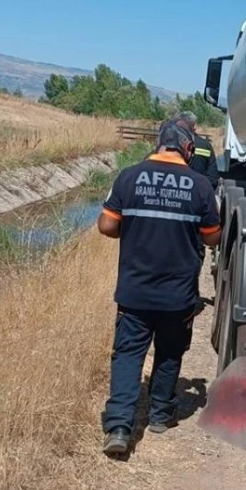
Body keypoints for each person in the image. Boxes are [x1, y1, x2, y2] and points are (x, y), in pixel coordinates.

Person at [97, 121, 222, 457]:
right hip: (177, 296)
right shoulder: (200, 187)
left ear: (157, 145)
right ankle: (160, 416)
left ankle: (120, 427)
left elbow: (107, 225)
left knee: (127, 356)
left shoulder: (129, 176)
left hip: (135, 291)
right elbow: (212, 236)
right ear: (189, 150)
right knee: (169, 353)